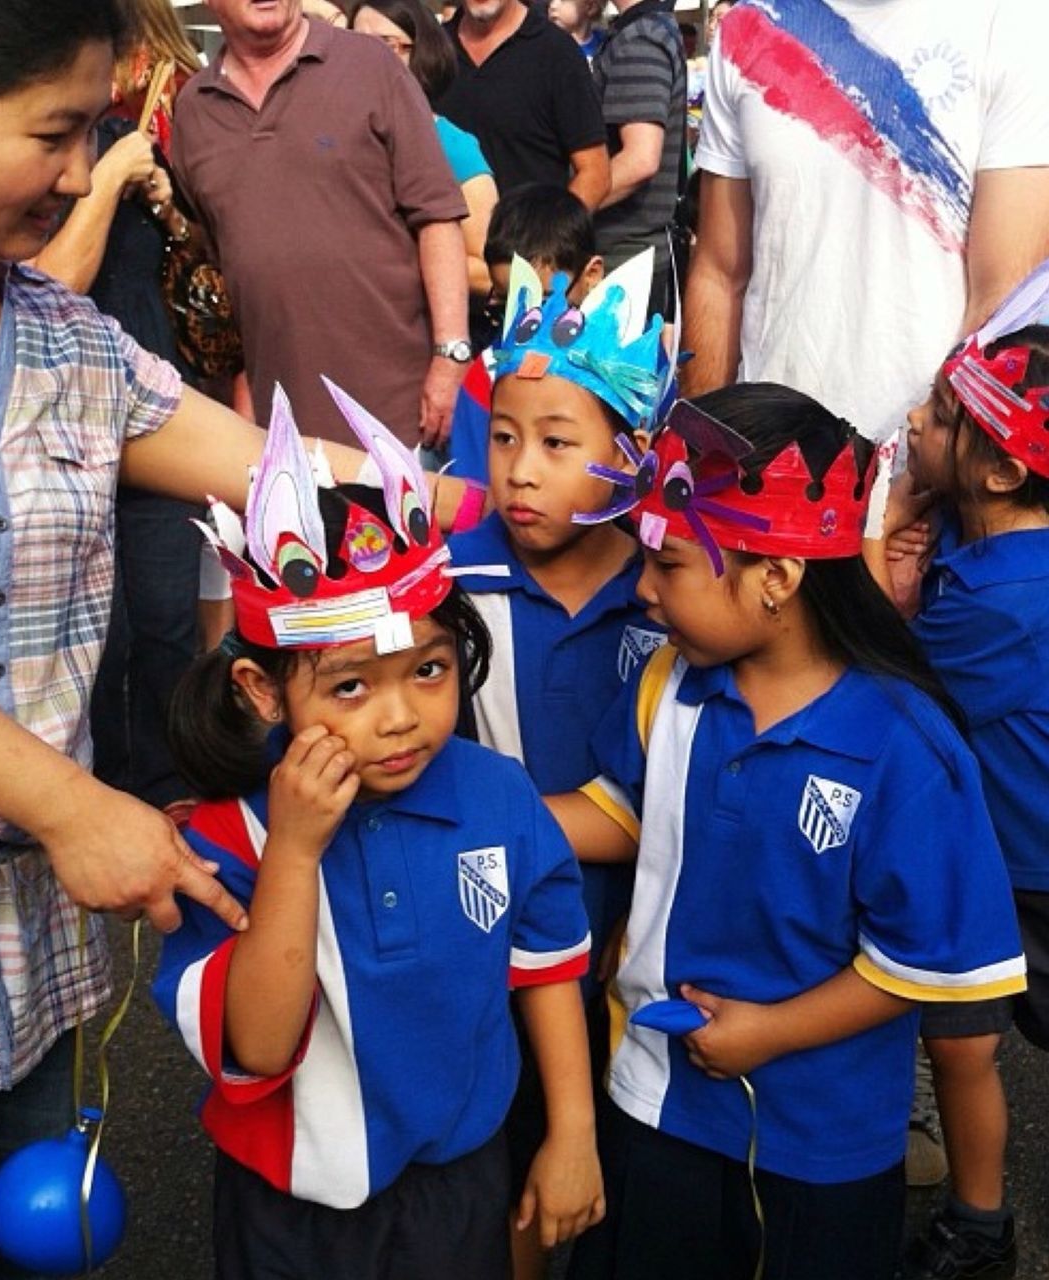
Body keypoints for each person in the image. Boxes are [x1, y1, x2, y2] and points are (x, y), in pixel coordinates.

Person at [0, 2, 471, 1274]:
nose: (82, 171)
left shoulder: (61, 333)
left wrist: (509, 503)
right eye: (54, 132)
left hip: (22, 975)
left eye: (93, 130)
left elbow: (287, 476)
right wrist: (72, 806)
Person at [558, 386, 1026, 1280]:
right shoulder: (671, 685)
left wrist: (769, 1033)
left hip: (822, 1144)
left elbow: (925, 963)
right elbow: (625, 811)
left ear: (776, 577)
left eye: (671, 566)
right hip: (651, 1097)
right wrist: (485, 817)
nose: (642, 589)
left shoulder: (905, 748)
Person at [153, 380, 605, 1279]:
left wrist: (573, 1134)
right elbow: (261, 1046)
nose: (400, 719)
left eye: (429, 670)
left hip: (460, 1184)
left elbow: (545, 965)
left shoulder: (498, 795)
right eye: (351, 686)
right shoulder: (223, 839)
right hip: (290, 1206)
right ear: (262, 690)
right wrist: (293, 849)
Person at [449, 250, 669, 1280]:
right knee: (492, 1158)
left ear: (630, 455)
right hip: (480, 941)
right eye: (500, 438)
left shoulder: (667, 600)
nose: (518, 469)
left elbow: (638, 815)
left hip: (620, 945)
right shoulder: (449, 584)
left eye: (552, 441)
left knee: (595, 1169)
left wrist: (482, 817)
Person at [867, 267, 1049, 1280]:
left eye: (936, 418)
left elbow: (872, 657)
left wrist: (883, 508)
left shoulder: (1004, 598)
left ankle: (980, 1222)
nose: (911, 419)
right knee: (961, 1038)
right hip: (1000, 865)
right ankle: (977, 1223)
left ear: (992, 471)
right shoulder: (987, 563)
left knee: (965, 1042)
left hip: (1031, 875)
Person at [682, 0, 1049, 456]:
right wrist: (697, 456)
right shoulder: (747, 24)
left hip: (922, 477)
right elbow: (719, 273)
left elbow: (1000, 308)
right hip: (767, 469)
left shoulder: (1012, 21)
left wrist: (914, 485)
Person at [33, 0, 220, 814]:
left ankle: (171, 786)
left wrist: (162, 195)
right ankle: (100, 791)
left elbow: (194, 260)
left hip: (153, 405)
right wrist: (108, 182)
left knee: (169, 622)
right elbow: (50, 285)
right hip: (62, 417)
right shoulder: (71, 166)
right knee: (96, 638)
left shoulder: (147, 138)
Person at [170, 0, 472, 451]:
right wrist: (243, 388)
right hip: (280, 427)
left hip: (399, 411)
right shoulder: (194, 110)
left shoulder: (372, 65)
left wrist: (450, 356)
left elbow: (438, 218)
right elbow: (226, 264)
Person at [447, 183, 605, 483]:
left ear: (592, 276)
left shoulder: (625, 369)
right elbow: (471, 491)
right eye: (507, 303)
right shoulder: (487, 375)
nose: (524, 320)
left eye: (543, 300)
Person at [349, 0, 499, 300]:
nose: (360, 58)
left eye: (383, 45)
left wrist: (388, 262)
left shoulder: (452, 146)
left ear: (420, 54)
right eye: (352, 44)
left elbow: (486, 270)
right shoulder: (333, 138)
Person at [435, 0, 609, 210]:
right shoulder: (432, 50)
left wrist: (548, 236)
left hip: (529, 238)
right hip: (447, 237)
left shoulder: (556, 52)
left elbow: (595, 173)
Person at [591, 0, 687, 315]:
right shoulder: (646, 29)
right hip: (631, 256)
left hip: (624, 259)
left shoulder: (642, 37)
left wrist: (565, 210)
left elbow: (640, 159)